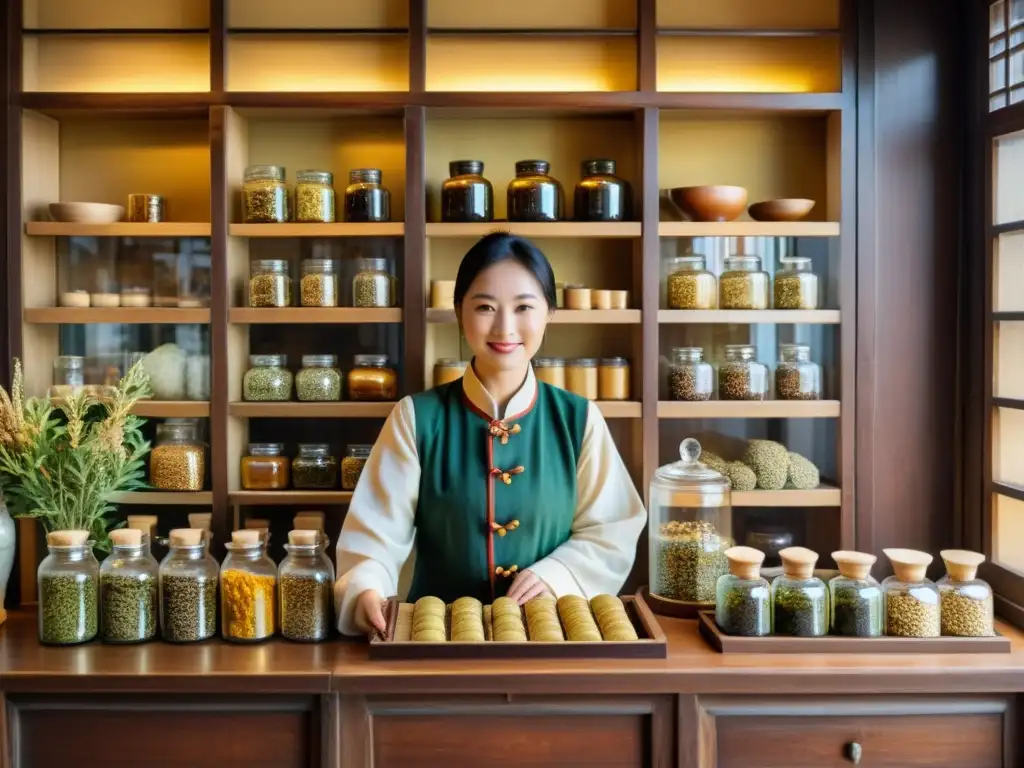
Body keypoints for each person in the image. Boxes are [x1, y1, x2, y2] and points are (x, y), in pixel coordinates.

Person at [334, 232, 647, 636]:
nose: (504, 327)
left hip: (549, 641)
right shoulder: (416, 418)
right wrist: (366, 590)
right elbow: (376, 534)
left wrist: (557, 574)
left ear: (549, 313)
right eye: (485, 307)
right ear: (459, 311)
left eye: (523, 308)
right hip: (436, 644)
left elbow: (612, 528)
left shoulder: (578, 419)